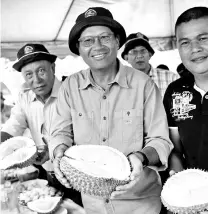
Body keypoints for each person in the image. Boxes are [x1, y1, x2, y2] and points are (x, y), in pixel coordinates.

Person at [49, 7, 173, 214]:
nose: (97, 46)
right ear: (79, 49)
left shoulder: (144, 84)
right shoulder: (70, 86)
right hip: (93, 203)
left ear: (117, 41)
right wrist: (58, 151)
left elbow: (160, 140)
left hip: (141, 202)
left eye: (104, 37)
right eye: (87, 41)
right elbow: (60, 132)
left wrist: (140, 158)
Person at [163, 6, 208, 214]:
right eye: (185, 42)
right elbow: (175, 149)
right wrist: (176, 179)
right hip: (195, 203)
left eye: (203, 38)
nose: (194, 48)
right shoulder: (175, 91)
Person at [0, 43, 82, 207]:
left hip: (77, 174)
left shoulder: (72, 92)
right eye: (29, 74)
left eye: (41, 71)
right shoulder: (25, 97)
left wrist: (54, 149)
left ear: (53, 67)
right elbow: (14, 125)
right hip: (49, 173)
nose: (36, 80)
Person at [121, 32, 179, 97]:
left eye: (143, 51)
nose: (139, 56)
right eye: (134, 52)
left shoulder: (171, 78)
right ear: (126, 58)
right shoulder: (120, 83)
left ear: (150, 54)